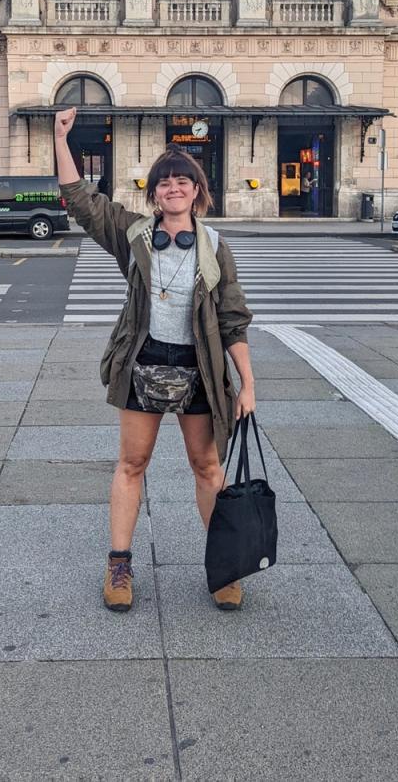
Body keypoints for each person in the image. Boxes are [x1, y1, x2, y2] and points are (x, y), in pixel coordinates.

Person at [54, 107, 256, 614]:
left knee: (207, 466)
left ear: (197, 191)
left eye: (182, 181)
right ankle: (119, 564)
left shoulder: (213, 246)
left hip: (201, 371)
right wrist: (61, 139)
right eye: (165, 183)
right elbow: (82, 203)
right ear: (154, 194)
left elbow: (233, 320)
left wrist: (246, 384)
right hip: (142, 363)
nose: (173, 189)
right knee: (132, 463)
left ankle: (224, 565)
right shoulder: (134, 236)